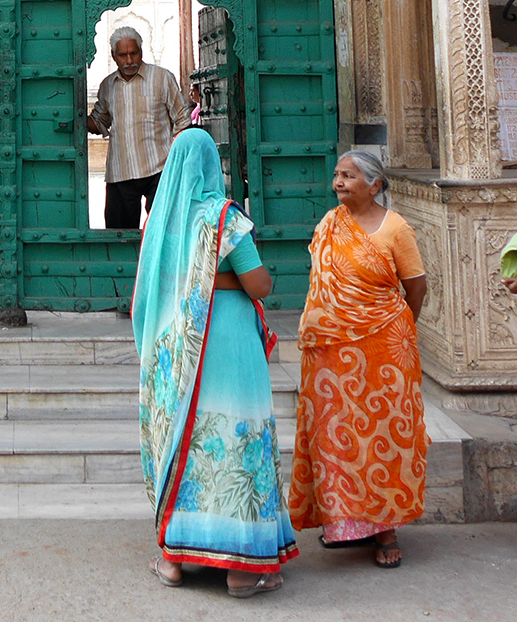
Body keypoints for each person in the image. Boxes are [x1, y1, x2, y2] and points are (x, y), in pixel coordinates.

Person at [133, 128, 296, 597]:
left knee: (189, 437)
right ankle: (242, 571)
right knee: (236, 436)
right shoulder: (224, 219)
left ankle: (174, 560)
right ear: (211, 166)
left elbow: (163, 286)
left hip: (181, 347)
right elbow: (259, 285)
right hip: (226, 342)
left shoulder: (163, 224)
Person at [289, 149, 428, 569]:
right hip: (331, 352)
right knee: (335, 433)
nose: (338, 182)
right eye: (337, 175)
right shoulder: (330, 224)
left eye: (348, 176)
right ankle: (343, 524)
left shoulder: (396, 228)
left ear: (375, 184)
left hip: (385, 349)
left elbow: (416, 286)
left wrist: (397, 325)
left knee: (387, 436)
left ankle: (386, 528)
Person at [86, 21, 187, 229]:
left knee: (165, 232)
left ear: (141, 51)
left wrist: (179, 162)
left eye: (134, 53)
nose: (129, 60)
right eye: (123, 55)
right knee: (119, 236)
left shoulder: (162, 78)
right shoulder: (107, 86)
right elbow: (99, 121)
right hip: (121, 172)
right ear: (114, 56)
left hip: (160, 171)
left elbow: (182, 119)